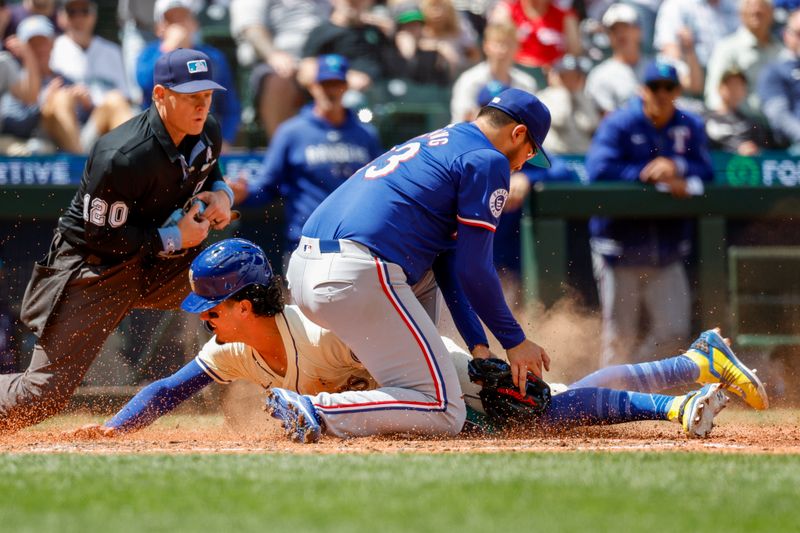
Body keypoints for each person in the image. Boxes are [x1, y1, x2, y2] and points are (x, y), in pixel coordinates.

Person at [67, 239, 768, 441]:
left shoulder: (320, 324)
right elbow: (166, 388)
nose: (204, 317)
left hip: (441, 378)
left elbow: (403, 379)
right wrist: (113, 428)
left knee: (543, 409)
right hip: (412, 394)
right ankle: (691, 360)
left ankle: (678, 399)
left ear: (249, 300)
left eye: (213, 306)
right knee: (563, 399)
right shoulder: (234, 349)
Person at [259, 87, 552, 443]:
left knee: (426, 308)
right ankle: (320, 409)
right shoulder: (488, 160)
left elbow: (448, 263)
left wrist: (479, 346)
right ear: (518, 133)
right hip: (358, 274)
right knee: (445, 410)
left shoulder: (444, 140)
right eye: (531, 152)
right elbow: (475, 269)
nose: (524, 163)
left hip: (310, 270)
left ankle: (400, 392)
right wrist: (514, 340)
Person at [0, 48, 233, 432]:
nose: (201, 105)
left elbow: (208, 171)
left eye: (206, 95)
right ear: (160, 94)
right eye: (190, 96)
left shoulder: (206, 129)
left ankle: (272, 390)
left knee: (238, 293)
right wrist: (175, 238)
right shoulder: (121, 155)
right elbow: (101, 239)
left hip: (157, 264)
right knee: (40, 396)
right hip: (93, 270)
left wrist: (222, 193)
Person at [585, 62, 714, 368]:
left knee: (674, 332)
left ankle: (637, 383)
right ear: (642, 90)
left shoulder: (689, 124)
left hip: (666, 250)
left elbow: (707, 170)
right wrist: (644, 174)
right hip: (619, 247)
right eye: (654, 87)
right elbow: (597, 169)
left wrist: (677, 167)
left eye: (667, 88)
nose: (660, 94)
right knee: (619, 336)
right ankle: (607, 400)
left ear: (677, 91)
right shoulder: (620, 123)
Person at [239, 54, 382, 263]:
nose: (330, 91)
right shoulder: (292, 132)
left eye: (336, 84)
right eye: (324, 84)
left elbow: (378, 188)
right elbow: (267, 187)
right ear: (313, 87)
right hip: (306, 245)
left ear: (345, 87)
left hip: (356, 245)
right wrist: (241, 194)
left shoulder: (366, 134)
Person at [137, 0, 241, 150]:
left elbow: (230, 105)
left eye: (184, 18)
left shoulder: (213, 57)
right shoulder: (148, 55)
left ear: (194, 24)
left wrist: (225, 139)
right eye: (172, 20)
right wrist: (169, 48)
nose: (179, 26)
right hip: (160, 141)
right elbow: (147, 86)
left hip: (205, 139)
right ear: (159, 28)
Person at [228, 0, 331, 138]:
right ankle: (283, 149)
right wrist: (273, 55)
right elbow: (251, 28)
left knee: (339, 78)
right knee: (280, 80)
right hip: (274, 62)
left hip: (325, 59)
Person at [50, 0, 134, 152]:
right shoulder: (52, 48)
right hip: (67, 126)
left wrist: (91, 100)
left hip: (99, 124)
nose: (79, 18)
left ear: (94, 16)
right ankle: (79, 165)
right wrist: (75, 97)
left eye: (84, 11)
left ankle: (135, 163)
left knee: (115, 99)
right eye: (72, 12)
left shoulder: (111, 50)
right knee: (61, 98)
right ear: (61, 17)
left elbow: (126, 97)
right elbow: (44, 100)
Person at [450, 21, 538, 123]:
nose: (503, 50)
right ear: (486, 46)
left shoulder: (526, 83)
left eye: (508, 44)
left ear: (517, 48)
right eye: (498, 44)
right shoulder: (469, 79)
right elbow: (462, 117)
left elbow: (532, 121)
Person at [704, 0, 782, 114]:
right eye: (753, 13)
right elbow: (713, 91)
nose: (757, 13)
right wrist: (721, 119)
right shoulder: (727, 48)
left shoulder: (780, 51)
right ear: (741, 15)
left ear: (771, 14)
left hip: (776, 122)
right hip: (740, 123)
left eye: (761, 13)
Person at [585, 3, 644, 116]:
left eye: (626, 27)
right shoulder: (600, 75)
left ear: (638, 30)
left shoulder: (654, 66)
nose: (621, 33)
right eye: (614, 29)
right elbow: (610, 124)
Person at [489, 0, 582, 69]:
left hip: (553, 73)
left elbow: (575, 51)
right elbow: (497, 45)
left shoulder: (565, 15)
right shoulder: (507, 10)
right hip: (516, 70)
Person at [536, 54, 599, 155]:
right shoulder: (543, 97)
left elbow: (590, 124)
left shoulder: (584, 97)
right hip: (556, 157)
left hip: (582, 157)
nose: (570, 80)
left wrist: (578, 95)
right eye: (564, 76)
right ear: (554, 76)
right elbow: (560, 119)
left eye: (575, 76)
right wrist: (561, 92)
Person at [705, 68, 774, 155]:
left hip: (742, 166)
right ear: (720, 88)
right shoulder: (705, 119)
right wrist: (736, 148)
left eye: (739, 85)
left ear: (744, 91)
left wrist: (753, 150)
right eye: (731, 85)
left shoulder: (752, 124)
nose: (735, 89)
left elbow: (763, 152)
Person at [757, 8, 800, 149]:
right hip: (792, 148)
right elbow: (779, 116)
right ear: (786, 35)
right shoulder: (773, 71)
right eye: (798, 33)